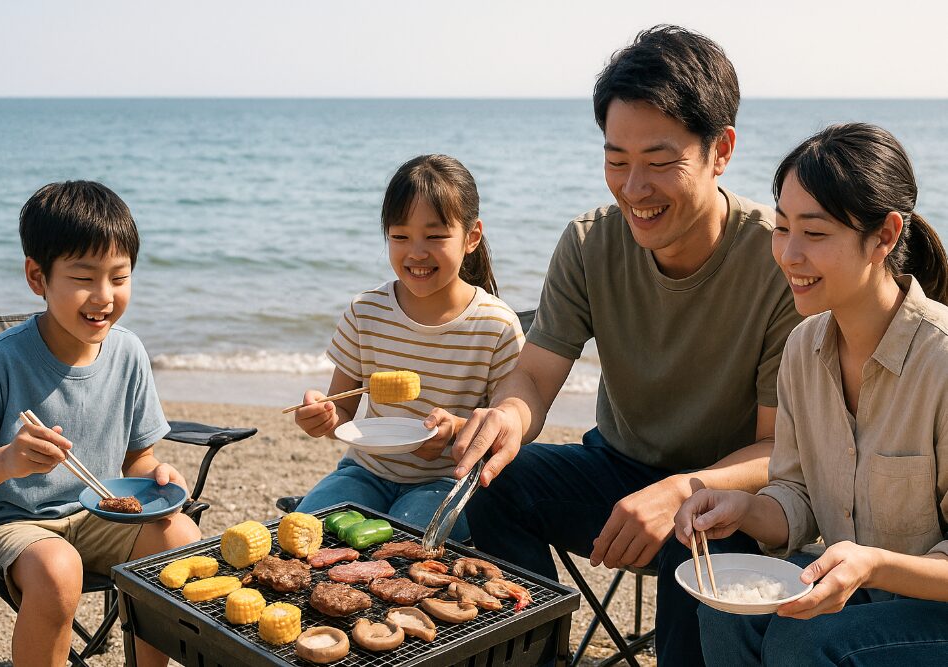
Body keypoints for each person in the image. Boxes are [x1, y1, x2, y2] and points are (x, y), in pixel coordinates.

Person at [450, 26, 802, 664]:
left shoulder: (776, 257)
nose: (634, 188)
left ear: (720, 150)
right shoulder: (589, 243)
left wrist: (683, 492)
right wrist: (505, 417)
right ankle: (534, 653)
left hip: (727, 493)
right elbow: (533, 377)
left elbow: (781, 446)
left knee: (697, 556)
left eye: (660, 162)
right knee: (496, 484)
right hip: (618, 468)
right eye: (617, 160)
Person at [674, 123, 948, 665]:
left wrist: (873, 565)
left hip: (933, 607)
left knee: (804, 639)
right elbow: (797, 496)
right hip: (865, 593)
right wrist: (744, 507)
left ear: (885, 236)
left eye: (815, 234)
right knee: (723, 610)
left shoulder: (940, 362)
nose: (789, 255)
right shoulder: (803, 348)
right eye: (781, 228)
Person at [0, 181, 201, 667]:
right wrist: (6, 460)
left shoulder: (128, 353)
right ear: (37, 277)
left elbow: (138, 460)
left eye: (119, 277)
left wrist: (159, 477)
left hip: (100, 513)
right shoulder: (1, 362)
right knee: (59, 571)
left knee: (181, 539)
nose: (103, 296)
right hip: (11, 521)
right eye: (84, 277)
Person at [293, 154, 524, 541]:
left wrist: (455, 430)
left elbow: (504, 432)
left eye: (435, 237)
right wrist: (323, 418)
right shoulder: (365, 312)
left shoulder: (496, 326)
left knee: (400, 548)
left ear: (471, 236)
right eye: (400, 236)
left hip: (445, 481)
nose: (416, 252)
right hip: (364, 472)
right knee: (300, 536)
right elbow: (344, 412)